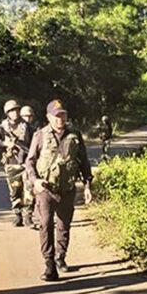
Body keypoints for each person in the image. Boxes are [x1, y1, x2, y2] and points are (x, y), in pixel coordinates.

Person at [25, 99, 94, 281]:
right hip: (46, 189)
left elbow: (84, 162)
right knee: (46, 224)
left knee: (64, 225)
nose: (60, 119)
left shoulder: (75, 135)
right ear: (48, 117)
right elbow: (30, 161)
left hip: (67, 188)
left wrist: (87, 185)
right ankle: (49, 264)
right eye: (56, 116)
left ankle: (60, 258)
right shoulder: (40, 135)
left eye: (62, 115)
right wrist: (35, 181)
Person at [0, 99, 34, 227]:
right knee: (15, 191)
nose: (15, 113)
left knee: (29, 189)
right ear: (7, 113)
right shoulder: (2, 128)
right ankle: (17, 215)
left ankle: (28, 216)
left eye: (16, 110)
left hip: (26, 162)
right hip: (11, 162)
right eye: (11, 111)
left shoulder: (27, 126)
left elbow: (35, 142)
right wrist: (5, 143)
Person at [19, 106, 40, 229]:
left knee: (32, 189)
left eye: (29, 116)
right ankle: (25, 216)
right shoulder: (20, 129)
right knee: (23, 190)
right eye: (25, 116)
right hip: (22, 163)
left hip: (33, 162)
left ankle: (30, 216)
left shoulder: (35, 129)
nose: (27, 119)